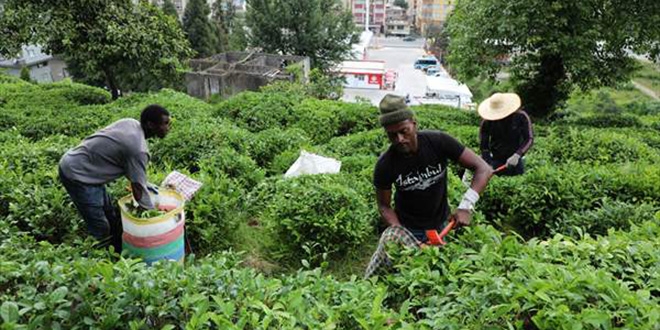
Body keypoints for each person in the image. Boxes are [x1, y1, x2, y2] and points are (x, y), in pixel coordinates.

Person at [365, 94, 493, 277]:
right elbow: (384, 206)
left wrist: (466, 205)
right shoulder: (386, 164)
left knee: (442, 276)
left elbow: (483, 169)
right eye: (392, 135)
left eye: (404, 131)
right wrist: (400, 233)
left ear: (414, 124)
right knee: (394, 271)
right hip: (408, 229)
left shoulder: (438, 142)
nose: (400, 139)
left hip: (441, 226)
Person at [58, 104, 172, 252]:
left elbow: (120, 157)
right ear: (150, 125)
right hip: (77, 174)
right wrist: (152, 216)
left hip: (84, 164)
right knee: (100, 227)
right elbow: (138, 189)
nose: (168, 127)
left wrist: (144, 183)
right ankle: (102, 262)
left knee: (111, 215)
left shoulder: (130, 122)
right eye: (165, 123)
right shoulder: (138, 150)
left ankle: (116, 248)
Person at [478, 92, 533, 176]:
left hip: (516, 158)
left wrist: (517, 155)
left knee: (517, 181)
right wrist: (487, 163)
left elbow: (529, 139)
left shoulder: (521, 117)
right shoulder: (487, 122)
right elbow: (484, 146)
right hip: (496, 158)